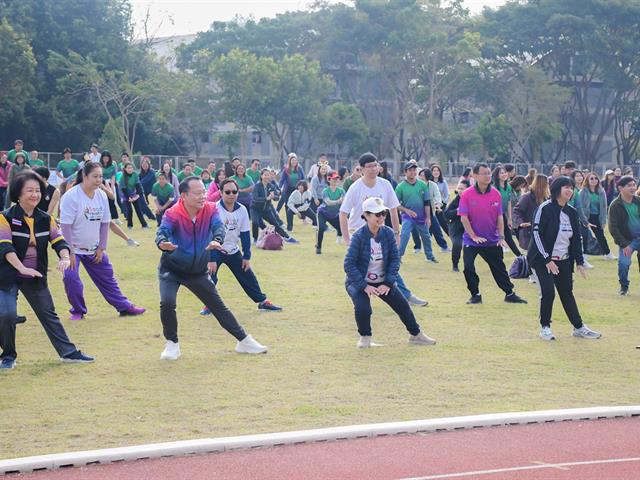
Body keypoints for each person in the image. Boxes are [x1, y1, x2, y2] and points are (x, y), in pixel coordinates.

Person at [156, 176, 268, 359]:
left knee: (218, 306)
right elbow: (162, 232)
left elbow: (219, 227)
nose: (203, 196)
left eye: (204, 192)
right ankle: (172, 344)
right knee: (167, 303)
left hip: (197, 271)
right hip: (172, 269)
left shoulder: (210, 209)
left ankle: (244, 341)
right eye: (197, 193)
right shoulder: (173, 213)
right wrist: (162, 243)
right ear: (183, 195)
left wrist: (217, 241)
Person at [0, 171, 94, 369]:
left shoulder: (46, 219)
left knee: (48, 314)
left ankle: (68, 353)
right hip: (7, 276)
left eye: (37, 191)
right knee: (6, 314)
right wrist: (21, 268)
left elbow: (59, 241)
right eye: (29, 191)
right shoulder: (4, 218)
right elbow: (6, 248)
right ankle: (8, 356)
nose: (34, 195)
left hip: (35, 276)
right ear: (18, 194)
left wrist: (65, 258)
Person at [344, 197, 436, 348]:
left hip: (382, 281)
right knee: (363, 308)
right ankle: (365, 338)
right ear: (366, 215)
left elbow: (394, 259)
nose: (381, 217)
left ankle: (416, 335)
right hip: (358, 282)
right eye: (377, 214)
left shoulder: (387, 233)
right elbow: (349, 264)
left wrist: (387, 283)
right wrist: (364, 286)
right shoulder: (358, 237)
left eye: (383, 213)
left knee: (403, 306)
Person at [339, 152, 428, 307]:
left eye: (375, 165)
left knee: (386, 265)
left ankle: (405, 296)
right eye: (369, 166)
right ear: (361, 169)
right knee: (362, 267)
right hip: (360, 234)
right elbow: (343, 213)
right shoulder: (355, 188)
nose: (374, 169)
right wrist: (347, 239)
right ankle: (360, 297)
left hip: (381, 233)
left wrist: (396, 233)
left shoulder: (385, 184)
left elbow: (393, 210)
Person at [60, 162, 145, 320]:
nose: (99, 180)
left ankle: (124, 307)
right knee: (70, 278)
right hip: (72, 248)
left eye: (101, 176)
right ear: (84, 176)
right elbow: (65, 227)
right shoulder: (71, 196)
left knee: (107, 278)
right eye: (95, 176)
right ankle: (78, 310)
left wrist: (101, 247)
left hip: (94, 248)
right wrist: (69, 252)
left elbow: (105, 223)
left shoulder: (101, 195)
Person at [528, 176, 601, 340]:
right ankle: (545, 327)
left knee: (567, 293)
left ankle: (578, 327)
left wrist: (579, 261)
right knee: (548, 292)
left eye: (571, 187)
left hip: (564, 260)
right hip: (542, 260)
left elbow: (576, 239)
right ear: (557, 189)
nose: (569, 190)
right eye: (566, 187)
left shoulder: (572, 212)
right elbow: (536, 234)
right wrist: (547, 259)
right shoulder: (545, 208)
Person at [200, 178, 283, 315]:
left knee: (248, 276)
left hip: (233, 250)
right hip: (216, 249)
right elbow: (210, 235)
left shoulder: (242, 210)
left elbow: (245, 234)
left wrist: (246, 256)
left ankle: (262, 302)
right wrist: (212, 259)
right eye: (227, 192)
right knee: (210, 277)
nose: (231, 194)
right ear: (221, 192)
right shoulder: (214, 209)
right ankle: (208, 305)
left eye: (234, 191)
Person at [458, 163, 527, 305]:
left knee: (499, 268)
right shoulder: (467, 194)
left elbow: (499, 217)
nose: (488, 176)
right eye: (484, 173)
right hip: (471, 240)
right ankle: (475, 295)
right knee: (468, 267)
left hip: (491, 239)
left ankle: (509, 294)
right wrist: (474, 236)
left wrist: (501, 237)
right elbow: (463, 218)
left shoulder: (495, 193)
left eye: (489, 173)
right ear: (475, 176)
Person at [395, 162, 436, 262]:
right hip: (407, 217)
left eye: (414, 170)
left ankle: (430, 257)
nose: (413, 172)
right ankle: (398, 256)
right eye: (410, 170)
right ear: (405, 172)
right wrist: (406, 210)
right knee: (404, 235)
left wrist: (428, 217)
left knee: (426, 236)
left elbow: (427, 202)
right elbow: (395, 204)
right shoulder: (400, 187)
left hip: (421, 217)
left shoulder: (422, 185)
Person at [608, 176, 640, 296]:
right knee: (624, 264)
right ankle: (624, 287)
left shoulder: (638, 201)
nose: (633, 188)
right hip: (627, 241)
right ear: (620, 188)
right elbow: (613, 228)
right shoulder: (615, 205)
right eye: (629, 185)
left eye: (634, 185)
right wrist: (624, 244)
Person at [252, 168, 298, 243]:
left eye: (268, 175)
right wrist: (266, 198)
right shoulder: (257, 186)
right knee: (255, 222)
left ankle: (287, 238)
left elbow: (276, 198)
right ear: (261, 176)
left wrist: (274, 197)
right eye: (265, 175)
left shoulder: (271, 185)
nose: (267, 177)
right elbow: (255, 198)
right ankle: (255, 239)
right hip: (255, 209)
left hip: (266, 210)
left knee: (276, 224)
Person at [579, 172, 615, 260]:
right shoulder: (583, 191)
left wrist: (603, 220)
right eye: (591, 178)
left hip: (596, 217)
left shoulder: (601, 192)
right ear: (587, 180)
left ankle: (608, 253)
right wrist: (582, 218)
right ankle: (584, 255)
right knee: (585, 236)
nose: (594, 180)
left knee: (600, 235)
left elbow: (603, 207)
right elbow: (579, 206)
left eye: (595, 178)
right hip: (585, 216)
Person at [513, 174, 550, 252]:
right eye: (547, 183)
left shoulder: (547, 199)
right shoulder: (527, 197)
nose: (548, 185)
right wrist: (521, 223)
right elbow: (517, 211)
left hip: (543, 233)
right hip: (529, 233)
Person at [492, 165, 522, 256]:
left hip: (503, 215)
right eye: (501, 173)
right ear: (497, 175)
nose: (504, 174)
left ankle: (519, 256)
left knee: (508, 236)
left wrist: (509, 218)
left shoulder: (508, 186)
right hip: (494, 216)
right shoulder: (493, 188)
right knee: (500, 237)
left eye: (505, 172)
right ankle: (518, 255)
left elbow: (508, 202)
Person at [315, 172, 344, 254]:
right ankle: (318, 247)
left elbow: (344, 200)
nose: (335, 180)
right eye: (333, 178)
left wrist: (339, 201)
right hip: (323, 213)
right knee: (321, 228)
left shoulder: (341, 190)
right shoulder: (325, 191)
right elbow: (328, 202)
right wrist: (338, 201)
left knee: (341, 227)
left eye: (337, 178)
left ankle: (339, 235)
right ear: (329, 179)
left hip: (334, 214)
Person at [445, 180, 470, 272]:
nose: (460, 191)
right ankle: (455, 265)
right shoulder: (456, 200)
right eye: (459, 188)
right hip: (455, 227)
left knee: (471, 248)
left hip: (469, 227)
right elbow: (446, 214)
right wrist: (457, 211)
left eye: (462, 189)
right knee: (457, 244)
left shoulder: (473, 200)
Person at [119, 162, 149, 229]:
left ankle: (144, 225)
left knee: (138, 209)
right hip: (125, 195)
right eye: (128, 168)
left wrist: (137, 195)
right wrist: (129, 197)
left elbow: (138, 185)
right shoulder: (123, 177)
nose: (130, 169)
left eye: (131, 168)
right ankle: (130, 225)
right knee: (130, 210)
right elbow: (123, 189)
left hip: (134, 194)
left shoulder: (135, 174)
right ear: (125, 169)